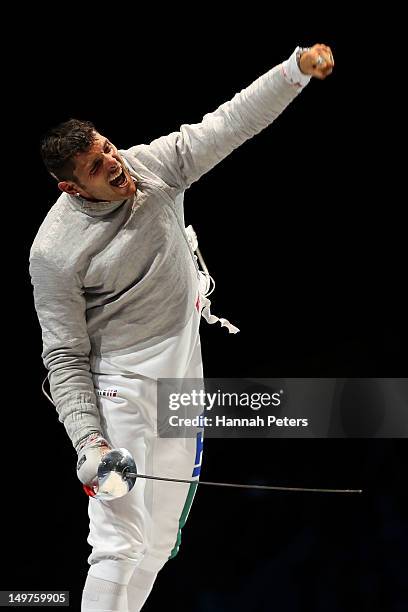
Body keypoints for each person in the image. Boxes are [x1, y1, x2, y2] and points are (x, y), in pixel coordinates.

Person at [30, 43, 334, 611]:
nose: (114, 164)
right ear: (71, 188)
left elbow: (231, 120)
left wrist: (294, 70)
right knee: (119, 541)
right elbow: (64, 356)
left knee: (158, 543)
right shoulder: (52, 253)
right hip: (118, 388)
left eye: (107, 148)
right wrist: (90, 443)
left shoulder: (155, 166)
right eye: (96, 167)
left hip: (181, 378)